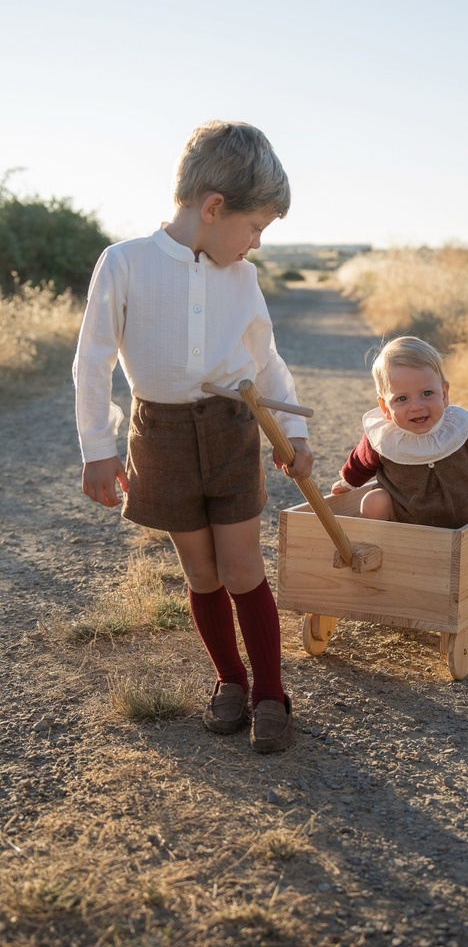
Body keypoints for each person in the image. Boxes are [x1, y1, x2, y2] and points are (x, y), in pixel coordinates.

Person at [73, 120, 312, 754]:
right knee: (202, 572)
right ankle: (230, 679)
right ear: (213, 207)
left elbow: (266, 361)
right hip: (163, 438)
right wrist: (98, 448)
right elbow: (93, 360)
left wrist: (291, 432)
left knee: (241, 566)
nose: (257, 243)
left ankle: (270, 693)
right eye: (254, 227)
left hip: (233, 431)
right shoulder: (125, 263)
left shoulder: (243, 279)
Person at [331, 336, 468, 528]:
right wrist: (348, 481)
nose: (417, 406)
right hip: (404, 517)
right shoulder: (384, 437)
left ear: (444, 394)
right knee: (373, 502)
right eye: (402, 399)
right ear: (385, 407)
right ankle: (380, 541)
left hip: (463, 513)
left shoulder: (461, 427)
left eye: (427, 393)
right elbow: (361, 461)